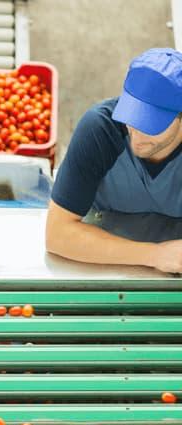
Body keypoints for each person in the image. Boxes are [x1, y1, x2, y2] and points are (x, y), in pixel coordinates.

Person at [46, 48, 182, 273]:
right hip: (99, 254)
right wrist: (155, 254)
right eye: (132, 117)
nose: (136, 136)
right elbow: (57, 234)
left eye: (150, 124)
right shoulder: (100, 130)